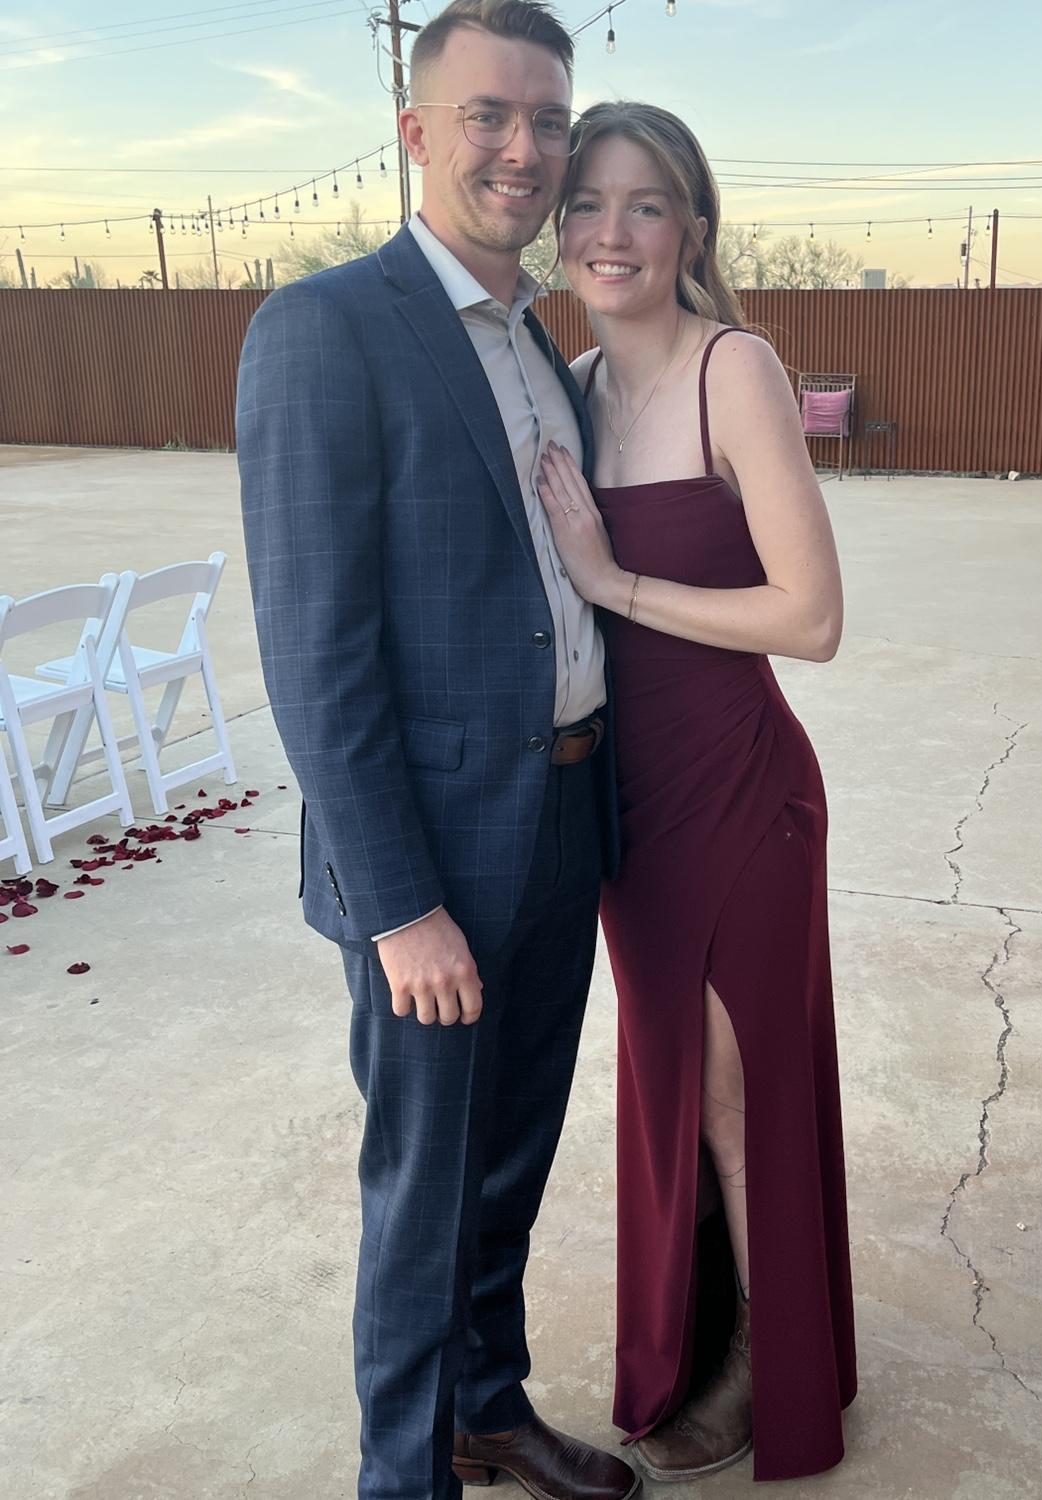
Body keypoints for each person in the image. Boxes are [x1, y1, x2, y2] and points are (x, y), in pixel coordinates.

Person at [235, 4, 639, 1498]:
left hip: (567, 817)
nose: (525, 149)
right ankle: (401, 1476)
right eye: (490, 115)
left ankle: (486, 1406)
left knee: (514, 1155)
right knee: (424, 1189)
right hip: (435, 862)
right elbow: (317, 655)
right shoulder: (326, 329)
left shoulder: (542, 344)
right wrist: (398, 904)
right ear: (415, 130)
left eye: (549, 121)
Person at [535, 101, 859, 1483]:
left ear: (693, 228)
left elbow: (812, 617)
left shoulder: (737, 368)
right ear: (559, 227)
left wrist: (614, 583)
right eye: (588, 203)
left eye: (647, 203)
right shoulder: (565, 385)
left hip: (738, 794)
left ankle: (770, 1371)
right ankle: (706, 1332)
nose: (612, 232)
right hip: (627, 811)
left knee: (734, 1091)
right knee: (676, 1083)